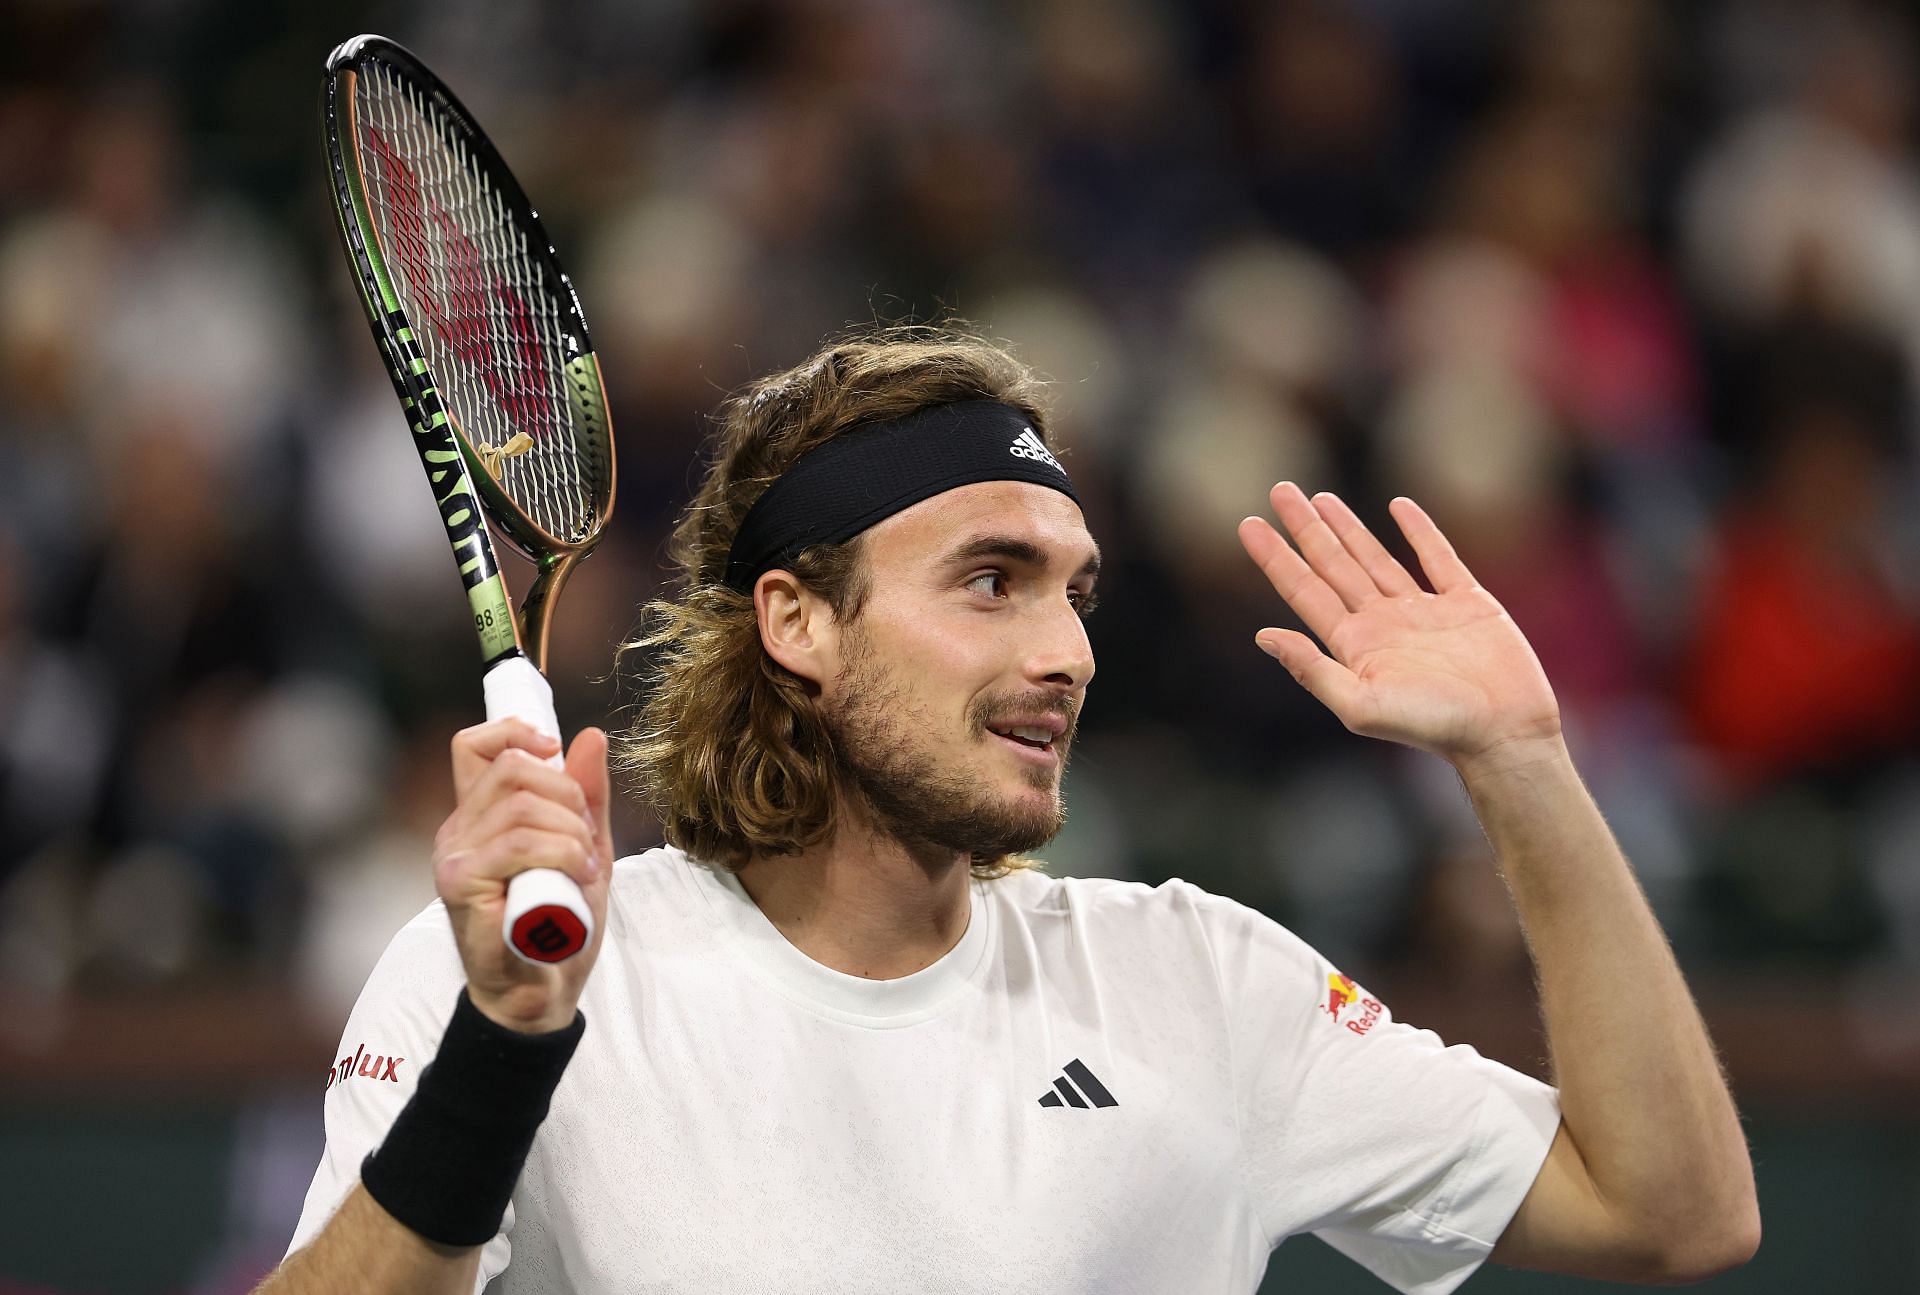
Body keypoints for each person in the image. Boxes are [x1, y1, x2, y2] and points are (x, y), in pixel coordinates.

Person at [260, 332, 1758, 1294]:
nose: (1069, 652)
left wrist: (1525, 766)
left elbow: (1673, 1217)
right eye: (992, 581)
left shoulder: (1208, 985)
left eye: (1075, 593)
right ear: (799, 623)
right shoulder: (532, 987)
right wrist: (505, 1050)